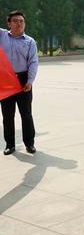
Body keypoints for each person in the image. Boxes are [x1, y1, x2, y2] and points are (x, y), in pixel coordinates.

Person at [0, 11, 39, 155]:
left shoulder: (29, 41)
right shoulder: (2, 35)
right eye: (15, 21)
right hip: (5, 80)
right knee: (7, 115)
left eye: (21, 21)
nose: (19, 23)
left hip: (23, 79)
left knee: (26, 114)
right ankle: (10, 145)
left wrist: (30, 81)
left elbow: (33, 62)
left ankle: (29, 143)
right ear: (9, 23)